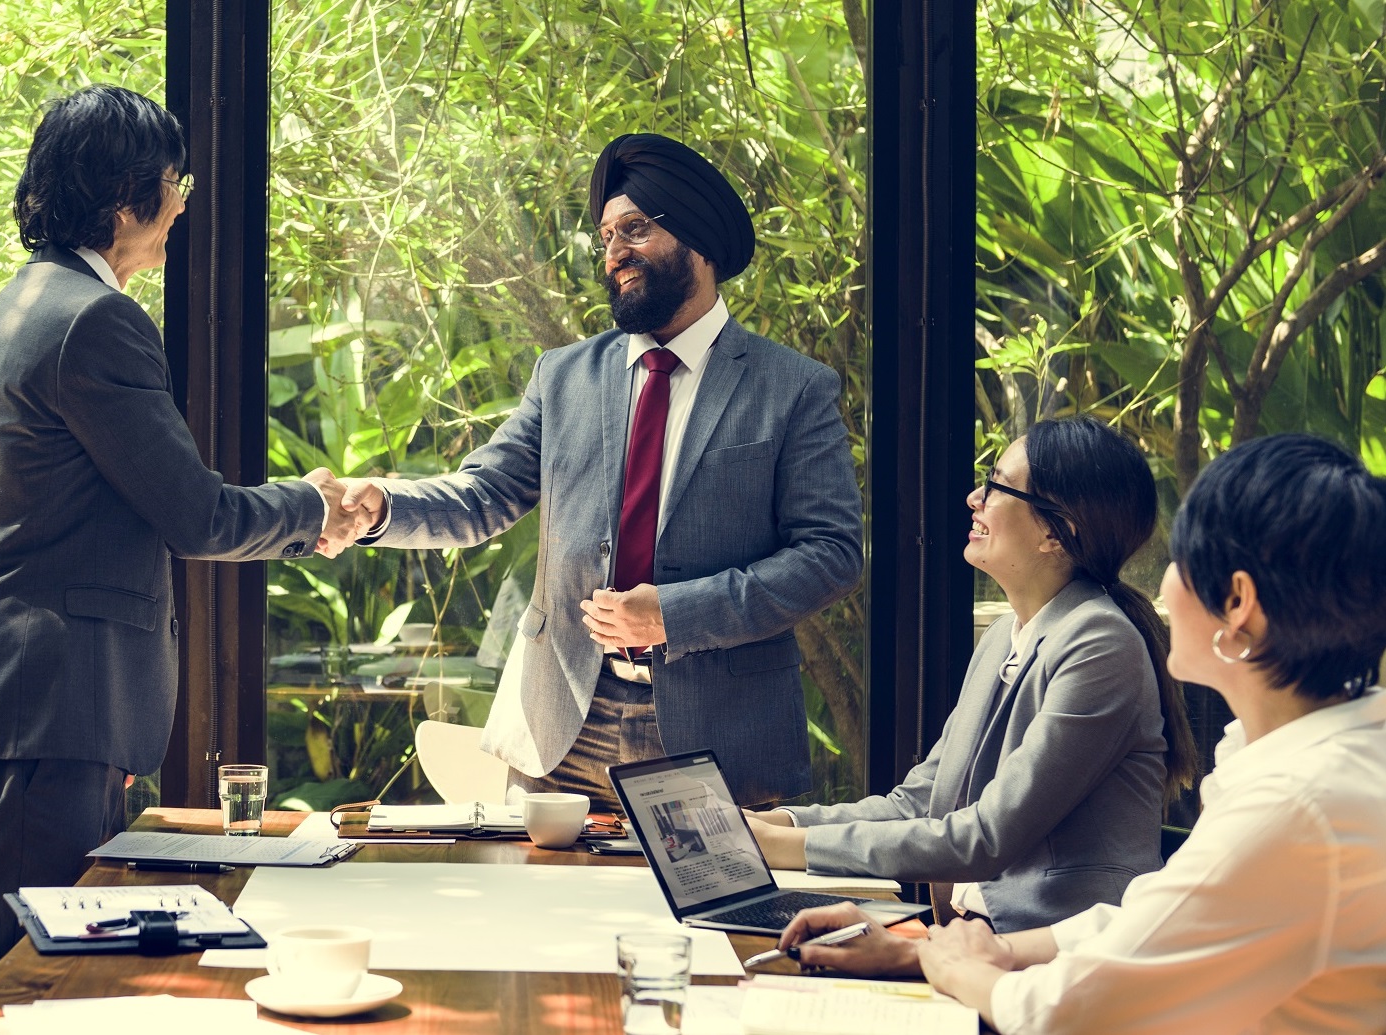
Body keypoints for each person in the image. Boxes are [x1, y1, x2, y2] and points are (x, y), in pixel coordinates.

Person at [0, 84, 370, 991]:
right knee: (21, 986)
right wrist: (314, 509)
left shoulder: (30, 301)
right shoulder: (95, 318)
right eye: (174, 183)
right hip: (49, 708)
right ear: (125, 201)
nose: (184, 204)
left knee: (32, 973)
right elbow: (195, 514)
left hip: (25, 703)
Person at [771, 433, 1386, 1035]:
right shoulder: (1293, 760)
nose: (1159, 587)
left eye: (1179, 562)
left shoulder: (1295, 804)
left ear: (1239, 603)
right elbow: (1148, 919)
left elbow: (1070, 1010)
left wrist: (952, 962)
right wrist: (921, 951)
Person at [339, 134, 864, 810]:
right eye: (607, 235)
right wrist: (381, 502)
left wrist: (675, 614)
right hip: (560, 726)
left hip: (717, 737)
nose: (613, 252)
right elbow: (483, 494)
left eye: (635, 230)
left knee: (704, 919)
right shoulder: (562, 377)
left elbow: (829, 555)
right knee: (541, 913)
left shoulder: (791, 388)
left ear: (697, 241)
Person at [744, 417, 1196, 932]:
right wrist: (780, 823)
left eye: (997, 485)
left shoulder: (1100, 644)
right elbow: (920, 802)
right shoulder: (1006, 636)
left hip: (1052, 955)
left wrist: (788, 848)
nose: (973, 498)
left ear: (1057, 531)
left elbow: (987, 837)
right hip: (971, 934)